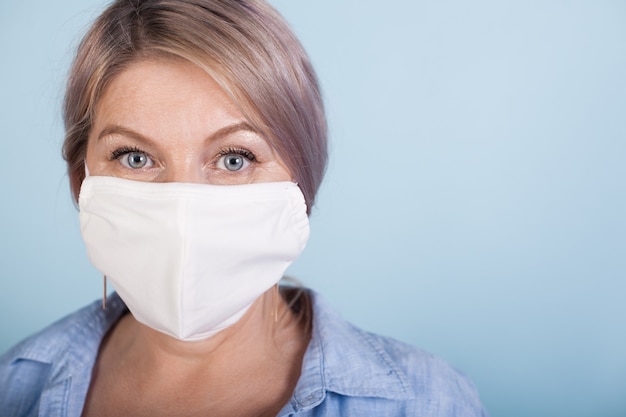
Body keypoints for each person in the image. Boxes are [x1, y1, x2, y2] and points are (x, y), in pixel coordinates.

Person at [0, 0, 487, 416]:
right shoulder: (13, 388)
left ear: (301, 182)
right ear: (82, 182)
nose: (182, 212)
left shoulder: (424, 402)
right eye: (136, 157)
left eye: (235, 159)